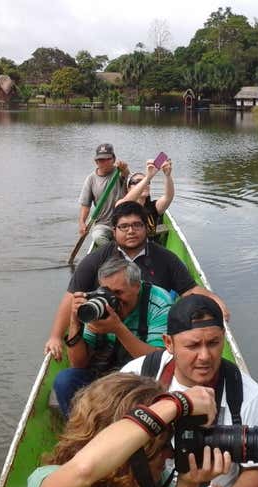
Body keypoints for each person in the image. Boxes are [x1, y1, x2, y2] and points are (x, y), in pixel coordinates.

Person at [121, 295, 258, 487]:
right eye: (193, 345)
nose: (205, 356)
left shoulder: (247, 395)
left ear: (224, 338)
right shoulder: (137, 376)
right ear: (169, 343)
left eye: (214, 343)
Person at [27, 372, 232, 487]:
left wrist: (188, 485)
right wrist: (176, 404)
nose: (169, 454)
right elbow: (84, 469)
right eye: (159, 446)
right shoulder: (46, 483)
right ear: (129, 448)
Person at [45, 201, 230, 362]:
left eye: (137, 225)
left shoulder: (165, 258)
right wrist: (55, 337)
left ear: (147, 228)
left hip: (153, 326)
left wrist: (216, 302)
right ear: (114, 230)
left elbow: (189, 290)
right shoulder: (95, 260)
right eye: (124, 227)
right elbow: (72, 296)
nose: (131, 231)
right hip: (106, 329)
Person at [52, 256, 174, 418]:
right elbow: (79, 363)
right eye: (107, 292)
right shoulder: (97, 303)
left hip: (142, 379)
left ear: (137, 286)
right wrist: (75, 323)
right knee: (65, 380)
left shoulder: (158, 302)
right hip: (104, 373)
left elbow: (160, 362)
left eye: (118, 293)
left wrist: (118, 329)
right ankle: (83, 430)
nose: (112, 299)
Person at [78, 143, 130, 249]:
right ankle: (115, 252)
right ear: (96, 161)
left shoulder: (118, 172)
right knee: (97, 237)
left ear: (113, 159)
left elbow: (126, 173)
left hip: (123, 220)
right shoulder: (91, 179)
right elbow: (85, 205)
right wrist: (82, 222)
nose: (104, 162)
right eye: (100, 160)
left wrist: (124, 168)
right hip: (103, 223)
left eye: (107, 159)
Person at [116, 158, 175, 237]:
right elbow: (124, 205)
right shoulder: (121, 204)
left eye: (148, 183)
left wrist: (168, 175)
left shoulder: (153, 207)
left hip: (148, 247)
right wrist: (148, 178)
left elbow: (168, 197)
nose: (145, 185)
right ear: (128, 188)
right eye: (137, 182)